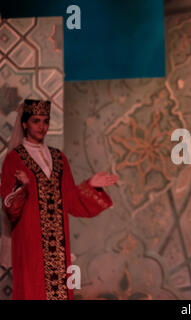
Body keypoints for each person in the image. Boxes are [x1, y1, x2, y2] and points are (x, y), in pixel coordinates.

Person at [0, 99, 118, 300]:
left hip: (58, 242)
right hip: (29, 240)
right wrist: (22, 188)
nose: (42, 126)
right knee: (32, 288)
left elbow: (71, 200)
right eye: (36, 121)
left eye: (45, 121)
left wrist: (91, 184)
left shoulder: (59, 158)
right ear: (24, 124)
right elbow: (10, 208)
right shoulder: (14, 158)